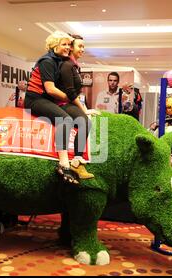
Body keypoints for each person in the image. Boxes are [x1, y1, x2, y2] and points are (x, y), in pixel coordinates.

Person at [24, 31, 79, 184]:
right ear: (54, 46)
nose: (68, 47)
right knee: (65, 120)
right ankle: (63, 163)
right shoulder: (47, 61)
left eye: (69, 44)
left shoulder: (60, 60)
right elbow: (50, 89)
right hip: (35, 100)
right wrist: (72, 99)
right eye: (64, 44)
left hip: (47, 100)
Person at [56, 33, 100, 179]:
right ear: (71, 47)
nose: (83, 49)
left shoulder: (74, 66)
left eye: (83, 46)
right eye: (79, 46)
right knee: (85, 121)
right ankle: (77, 162)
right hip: (62, 104)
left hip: (69, 102)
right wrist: (85, 110)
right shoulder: (67, 65)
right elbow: (70, 92)